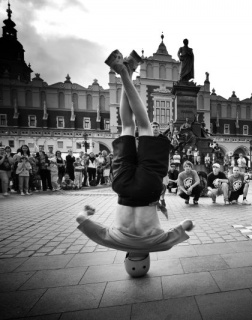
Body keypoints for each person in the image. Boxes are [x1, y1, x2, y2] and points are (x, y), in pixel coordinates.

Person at [76, 49, 193, 278]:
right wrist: (86, 211)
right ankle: (124, 71)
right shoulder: (114, 241)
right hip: (122, 188)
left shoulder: (158, 244)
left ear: (146, 258)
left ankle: (126, 74)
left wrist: (183, 226)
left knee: (145, 127)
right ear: (127, 257)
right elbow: (82, 220)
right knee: (127, 128)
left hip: (148, 189)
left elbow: (186, 225)